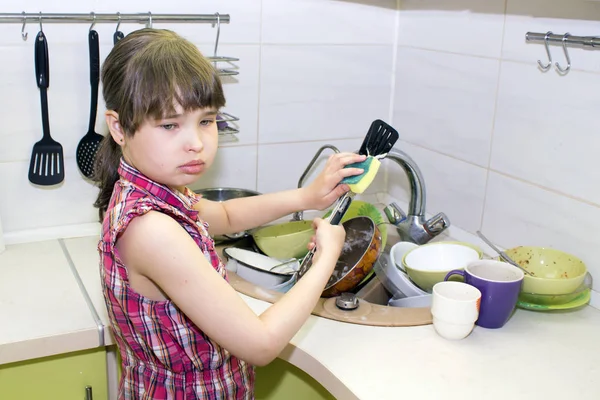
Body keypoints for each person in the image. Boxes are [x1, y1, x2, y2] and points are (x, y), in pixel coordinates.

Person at [93, 28, 366, 399]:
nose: (196, 144)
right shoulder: (151, 228)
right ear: (119, 127)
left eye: (206, 121)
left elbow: (225, 215)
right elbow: (261, 344)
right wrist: (327, 258)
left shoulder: (156, 191)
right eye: (170, 125)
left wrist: (307, 196)